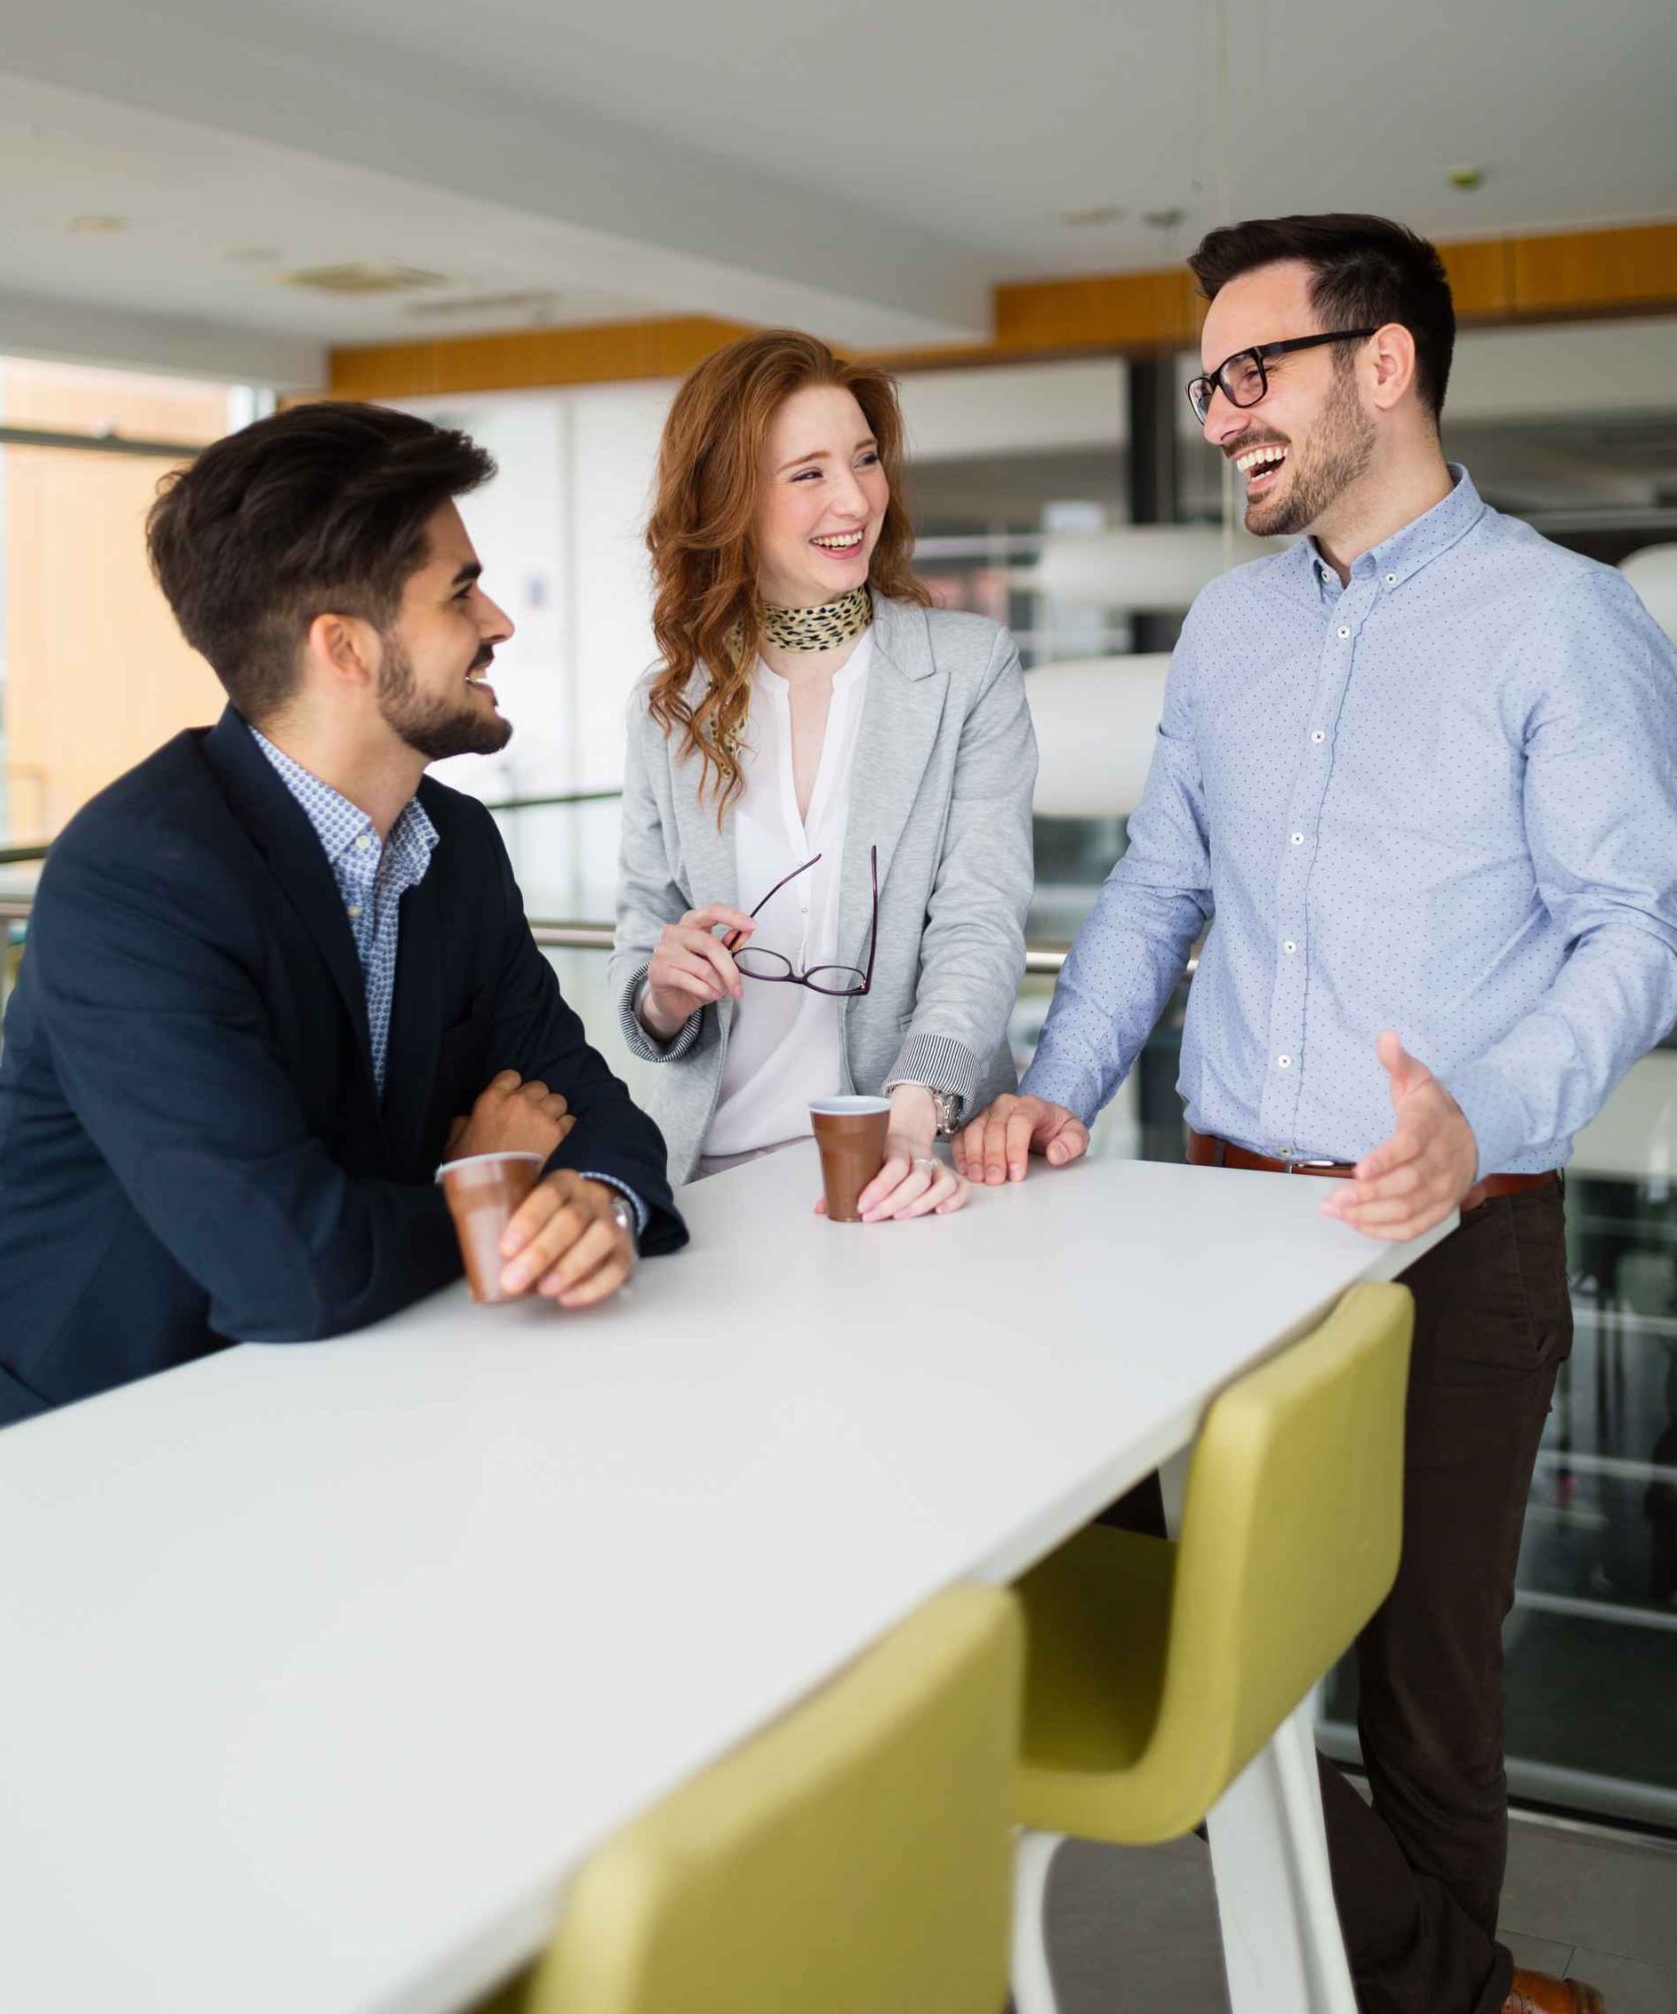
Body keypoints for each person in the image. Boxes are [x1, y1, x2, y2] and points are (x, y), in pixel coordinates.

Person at [958, 215, 1677, 2014]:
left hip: (1451, 1227)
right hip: (1213, 1224)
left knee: (1433, 1684)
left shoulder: (1561, 621)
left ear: (1383, 363)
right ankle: (1462, 1992)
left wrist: (1484, 1112)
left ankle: (1427, 1990)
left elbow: (1638, 932)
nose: (1217, 417)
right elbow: (1152, 889)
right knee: (1179, 1642)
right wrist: (1052, 1090)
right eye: (1206, 382)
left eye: (1249, 372)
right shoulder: (1224, 628)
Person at [0, 403, 685, 1438]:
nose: (499, 621)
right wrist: (481, 1183)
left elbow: (592, 1110)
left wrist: (600, 1205)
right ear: (343, 648)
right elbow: (291, 1266)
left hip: (338, 1406)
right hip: (85, 1444)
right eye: (459, 592)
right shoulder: (138, 882)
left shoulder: (459, 849)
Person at [613, 330, 1037, 1212]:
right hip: (715, 1174)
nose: (854, 498)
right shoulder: (667, 706)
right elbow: (640, 940)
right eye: (807, 473)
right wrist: (660, 992)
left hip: (914, 1157)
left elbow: (978, 921)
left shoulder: (966, 668)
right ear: (728, 498)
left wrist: (914, 1115)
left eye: (865, 460)